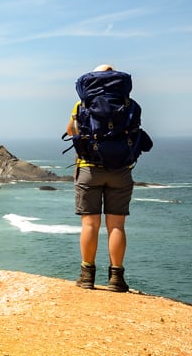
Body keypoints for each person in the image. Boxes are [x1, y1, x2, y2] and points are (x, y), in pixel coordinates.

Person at [66, 64, 144, 292]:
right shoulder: (131, 105)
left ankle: (87, 276)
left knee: (90, 224)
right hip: (121, 171)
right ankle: (116, 278)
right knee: (117, 225)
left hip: (89, 168)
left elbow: (71, 130)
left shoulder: (83, 104)